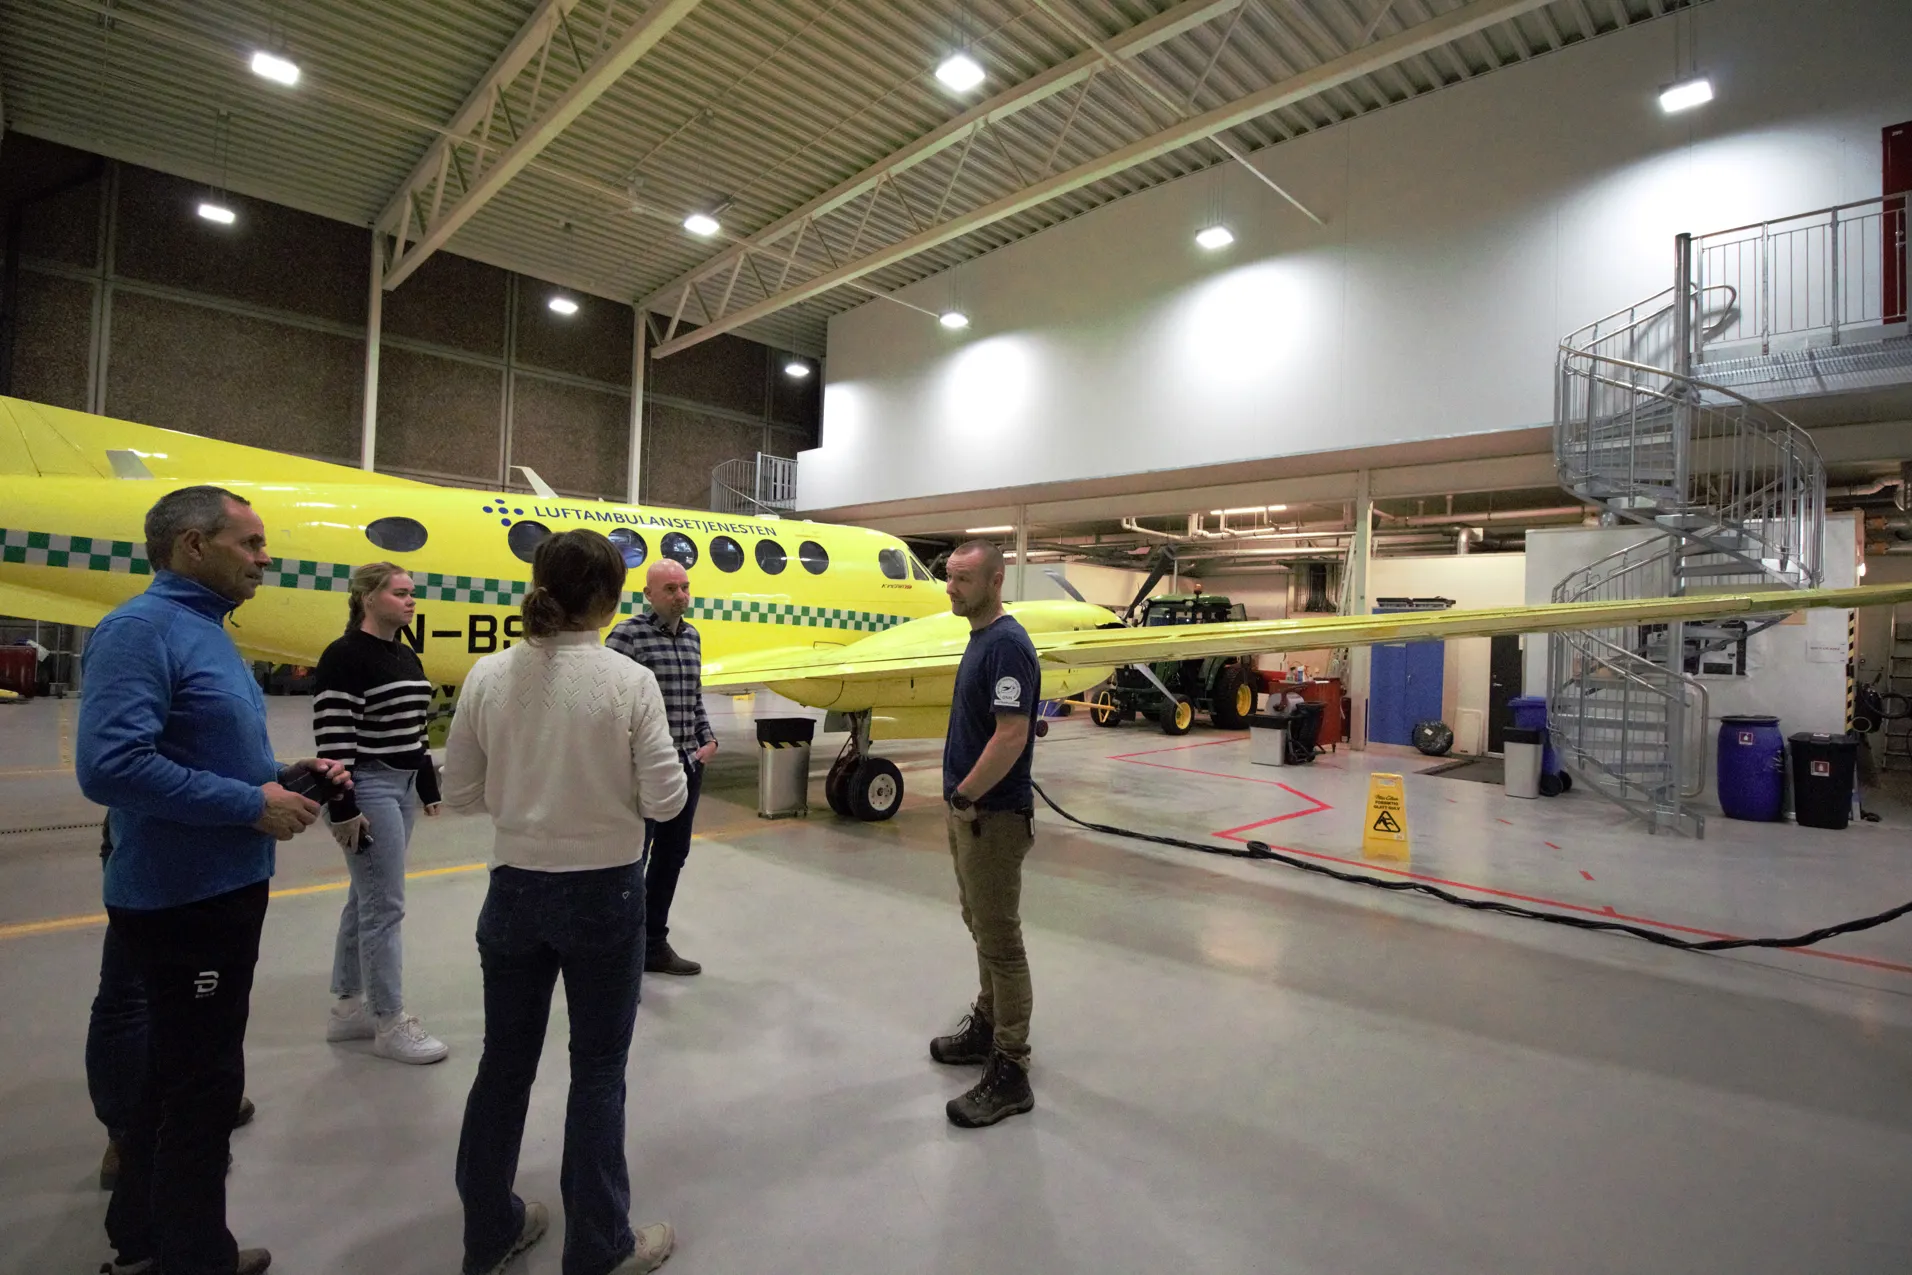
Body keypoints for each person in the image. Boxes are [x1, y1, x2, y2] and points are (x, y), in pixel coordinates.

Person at [77, 484, 349, 1275]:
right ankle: (194, 1259)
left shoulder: (200, 631)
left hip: (214, 886)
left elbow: (202, 752)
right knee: (203, 1089)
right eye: (252, 543)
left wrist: (284, 776)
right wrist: (247, 802)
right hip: (183, 897)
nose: (266, 558)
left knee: (170, 1074)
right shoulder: (141, 630)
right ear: (194, 546)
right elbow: (111, 764)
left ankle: (140, 1240)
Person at [443, 529, 688, 1275]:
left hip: (513, 888)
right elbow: (668, 798)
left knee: (504, 1063)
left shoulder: (487, 676)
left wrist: (527, 799)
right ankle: (599, 1245)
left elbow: (458, 792)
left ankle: (489, 1232)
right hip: (604, 893)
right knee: (597, 1070)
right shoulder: (626, 681)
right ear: (613, 600)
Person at [314, 561, 449, 1064]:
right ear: (368, 598)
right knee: (384, 907)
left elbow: (416, 726)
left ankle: (349, 1010)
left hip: (401, 786)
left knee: (365, 898)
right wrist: (343, 806)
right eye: (399, 593)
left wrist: (428, 782)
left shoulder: (405, 655)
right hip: (364, 785)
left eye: (412, 593)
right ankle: (389, 1021)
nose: (411, 601)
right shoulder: (344, 656)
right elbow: (333, 738)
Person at [929, 539, 1041, 1129]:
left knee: (1001, 940)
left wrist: (968, 793)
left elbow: (1011, 735)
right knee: (980, 925)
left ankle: (1011, 1068)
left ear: (995, 581)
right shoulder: (980, 640)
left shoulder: (1007, 646)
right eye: (949, 577)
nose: (951, 587)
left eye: (963, 579)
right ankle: (986, 1024)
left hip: (991, 817)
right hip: (970, 813)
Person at [88, 817, 256, 1193]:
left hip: (207, 842)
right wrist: (250, 802)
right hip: (151, 836)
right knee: (129, 992)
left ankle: (184, 1116)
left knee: (192, 993)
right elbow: (111, 770)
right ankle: (130, 1140)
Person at [605, 558, 718, 977]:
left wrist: (708, 739)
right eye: (670, 589)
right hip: (646, 770)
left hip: (688, 765)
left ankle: (653, 942)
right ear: (649, 594)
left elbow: (694, 696)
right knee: (634, 856)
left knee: (672, 856)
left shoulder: (692, 637)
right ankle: (622, 946)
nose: (680, 595)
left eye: (685, 587)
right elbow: (610, 704)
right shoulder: (628, 636)